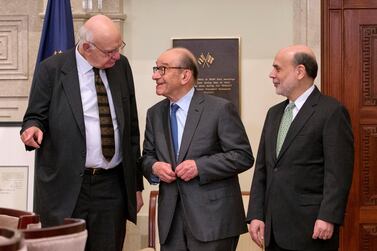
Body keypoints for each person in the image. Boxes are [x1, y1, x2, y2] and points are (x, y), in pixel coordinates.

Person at [20, 15, 143, 251]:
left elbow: (131, 129)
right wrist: (32, 129)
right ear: (86, 47)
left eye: (119, 48)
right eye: (109, 52)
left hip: (111, 186)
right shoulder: (52, 69)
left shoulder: (121, 67)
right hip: (65, 187)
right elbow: (34, 116)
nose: (116, 56)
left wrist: (135, 185)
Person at [141, 47, 254, 251]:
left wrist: (200, 167)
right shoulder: (154, 114)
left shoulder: (219, 109)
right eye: (156, 69)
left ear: (185, 75)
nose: (155, 75)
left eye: (162, 69)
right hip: (171, 223)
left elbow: (243, 156)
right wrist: (154, 167)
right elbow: (147, 157)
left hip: (213, 222)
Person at [247, 45, 354, 251]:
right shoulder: (274, 114)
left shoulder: (331, 112)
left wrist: (328, 216)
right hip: (273, 231)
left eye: (277, 69)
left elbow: (338, 173)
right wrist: (256, 214)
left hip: (311, 228)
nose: (271, 75)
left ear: (300, 71)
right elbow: (263, 168)